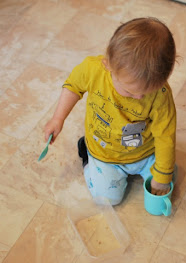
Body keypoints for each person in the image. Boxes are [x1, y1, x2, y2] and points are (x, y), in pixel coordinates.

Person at [44, 17, 177, 205]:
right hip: (105, 155)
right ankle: (87, 155)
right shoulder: (93, 70)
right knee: (107, 200)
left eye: (146, 92)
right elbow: (73, 86)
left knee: (168, 177)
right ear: (108, 65)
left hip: (146, 153)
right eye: (130, 91)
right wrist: (58, 118)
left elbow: (166, 136)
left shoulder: (162, 95)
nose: (139, 98)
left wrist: (162, 176)